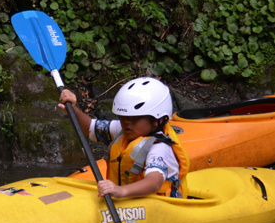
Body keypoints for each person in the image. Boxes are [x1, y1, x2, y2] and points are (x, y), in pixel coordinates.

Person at [59, 77, 190, 199]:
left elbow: (154, 182)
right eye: (123, 117)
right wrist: (73, 108)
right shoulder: (126, 130)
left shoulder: (160, 148)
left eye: (135, 118)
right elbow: (89, 128)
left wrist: (121, 191)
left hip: (160, 206)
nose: (127, 122)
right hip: (130, 201)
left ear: (157, 120)